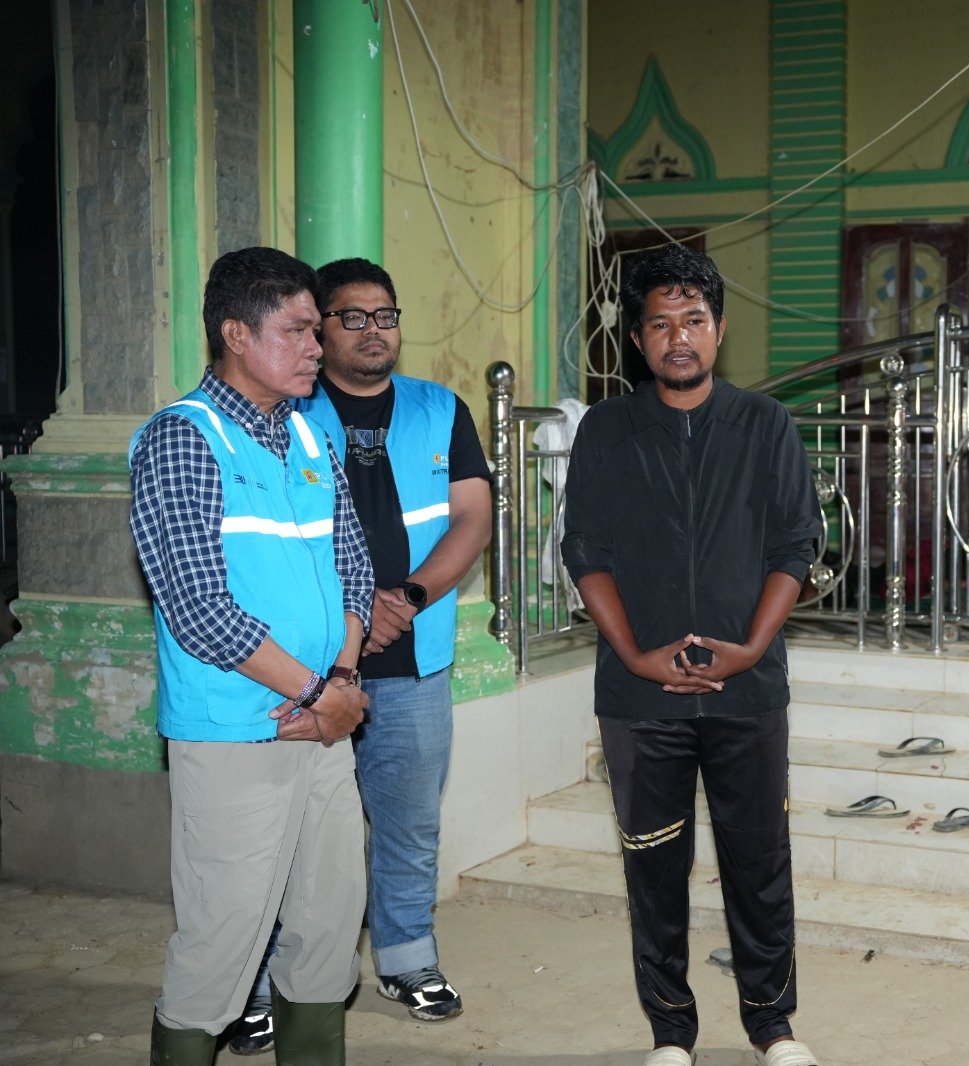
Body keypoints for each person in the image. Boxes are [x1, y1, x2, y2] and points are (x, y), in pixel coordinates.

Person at [560, 245, 823, 1066]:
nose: (679, 338)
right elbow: (585, 551)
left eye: (694, 320)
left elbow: (795, 545)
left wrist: (751, 649)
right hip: (640, 699)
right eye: (660, 324)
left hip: (748, 691)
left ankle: (773, 1026)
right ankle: (671, 1033)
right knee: (653, 868)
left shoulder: (765, 425)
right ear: (639, 338)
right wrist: (637, 656)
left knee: (759, 864)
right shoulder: (608, 430)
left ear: (720, 329)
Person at [224, 258, 494, 1049]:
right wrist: (350, 615)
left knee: (409, 822)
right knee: (291, 835)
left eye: (386, 315)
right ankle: (270, 980)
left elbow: (472, 518)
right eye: (351, 316)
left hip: (412, 656)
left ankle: (407, 958)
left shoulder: (439, 409)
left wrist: (404, 598)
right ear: (318, 325)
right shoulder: (284, 411)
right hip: (304, 664)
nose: (373, 330)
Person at [130, 246, 373, 1063]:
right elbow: (200, 610)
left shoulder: (309, 435)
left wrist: (341, 683)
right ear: (237, 333)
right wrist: (320, 694)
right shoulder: (183, 439)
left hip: (322, 724)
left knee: (328, 926)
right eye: (298, 330)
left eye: (316, 330)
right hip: (239, 731)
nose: (317, 346)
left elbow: (354, 567)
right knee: (222, 938)